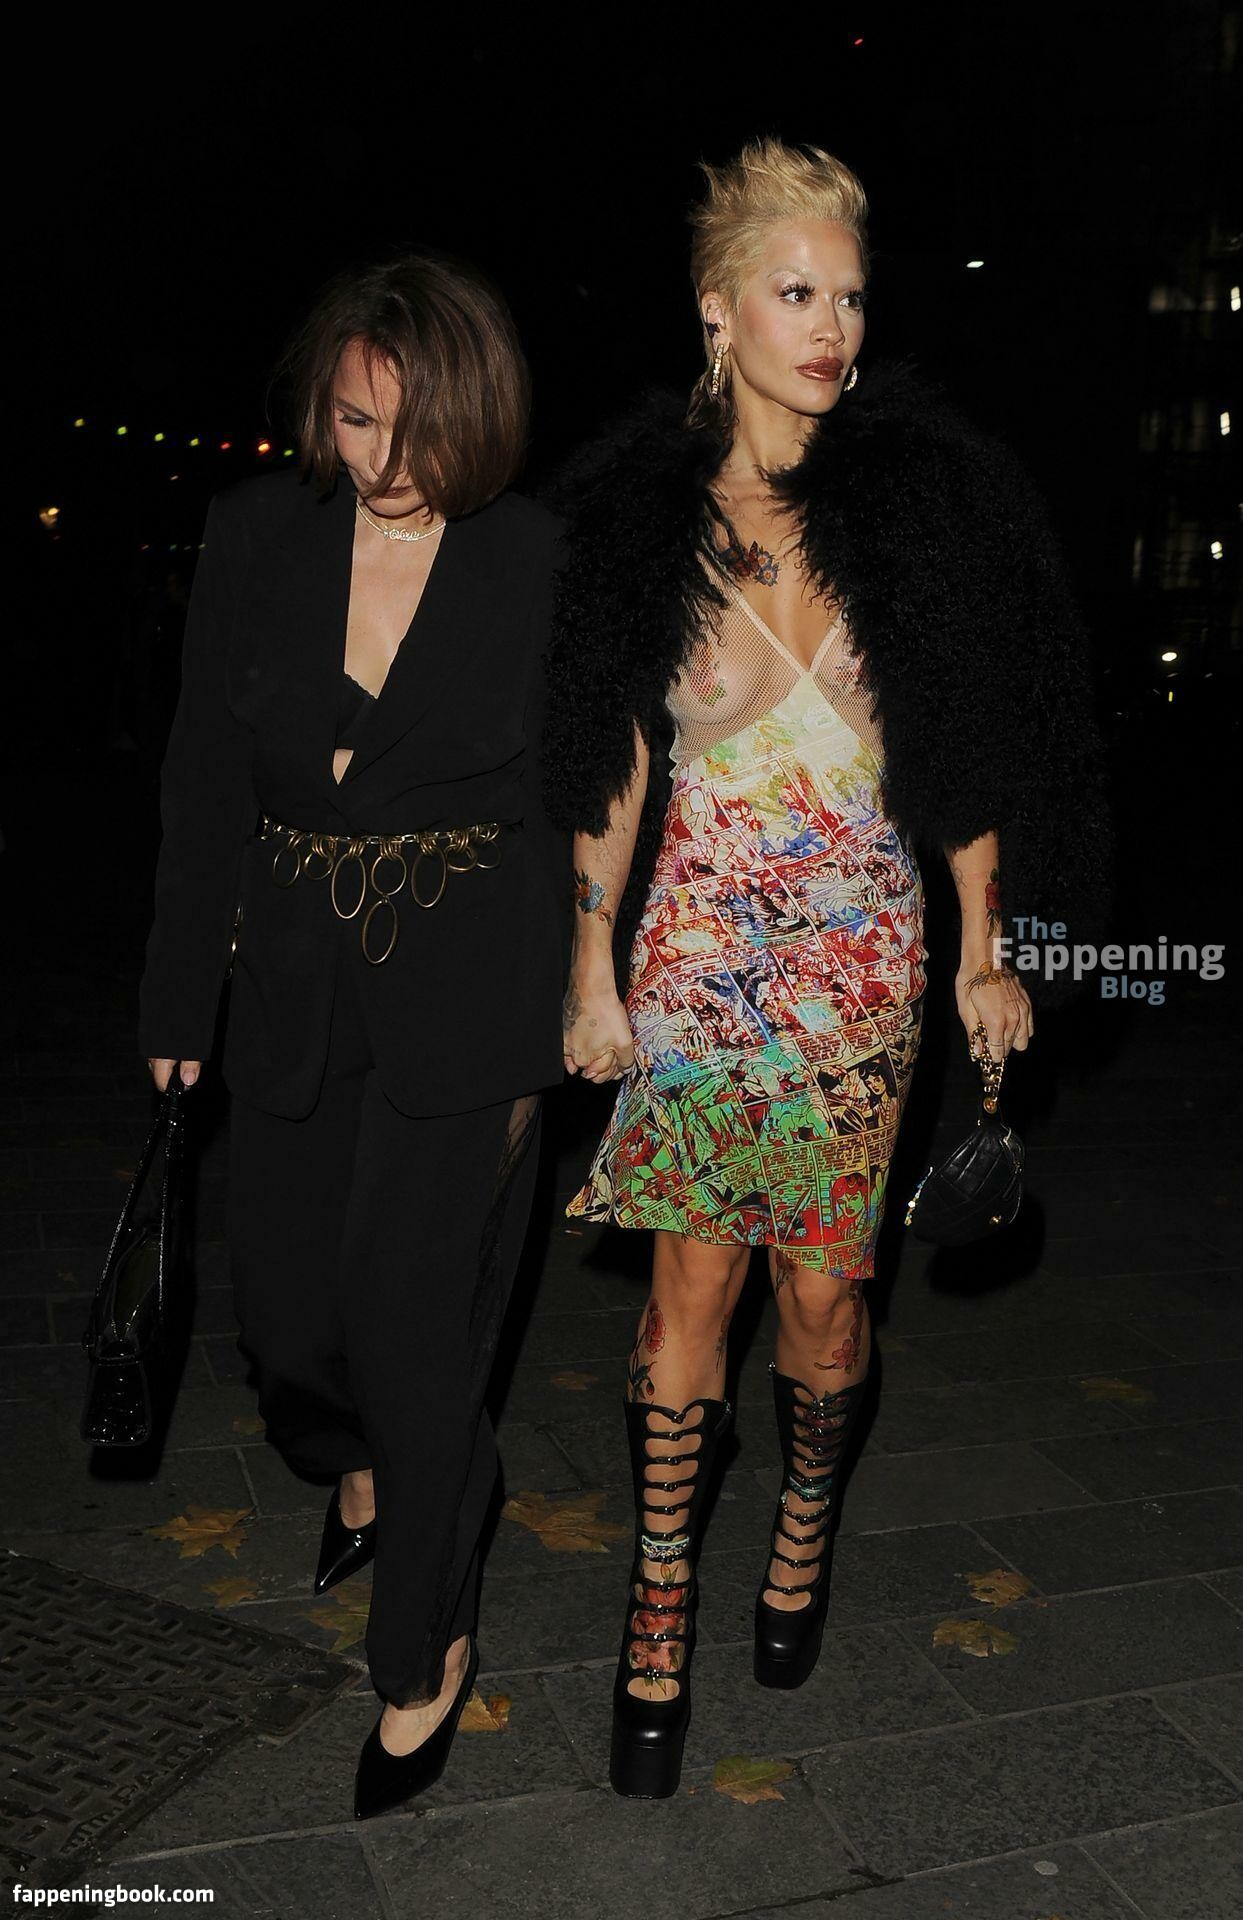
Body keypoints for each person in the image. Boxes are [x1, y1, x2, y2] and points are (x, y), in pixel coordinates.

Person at [543, 138, 1108, 1799]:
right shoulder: (645, 520)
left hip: (862, 963)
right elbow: (609, 763)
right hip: (699, 955)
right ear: (718, 310)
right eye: (797, 293)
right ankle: (659, 1602)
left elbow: (962, 745)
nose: (831, 328)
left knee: (823, 1304)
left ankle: (804, 1509)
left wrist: (986, 949)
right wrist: (589, 964)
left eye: (850, 298)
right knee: (688, 1294)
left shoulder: (915, 509)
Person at [139, 250, 568, 1817]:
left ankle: (422, 1644)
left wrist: (588, 990)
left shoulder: (537, 558)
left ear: (479, 415)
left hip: (473, 988)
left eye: (416, 430)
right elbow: (202, 773)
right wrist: (176, 994)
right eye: (354, 420)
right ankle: (377, 1459)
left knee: (410, 1325)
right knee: (289, 1330)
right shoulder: (261, 533)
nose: (384, 463)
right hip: (295, 976)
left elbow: (586, 792)